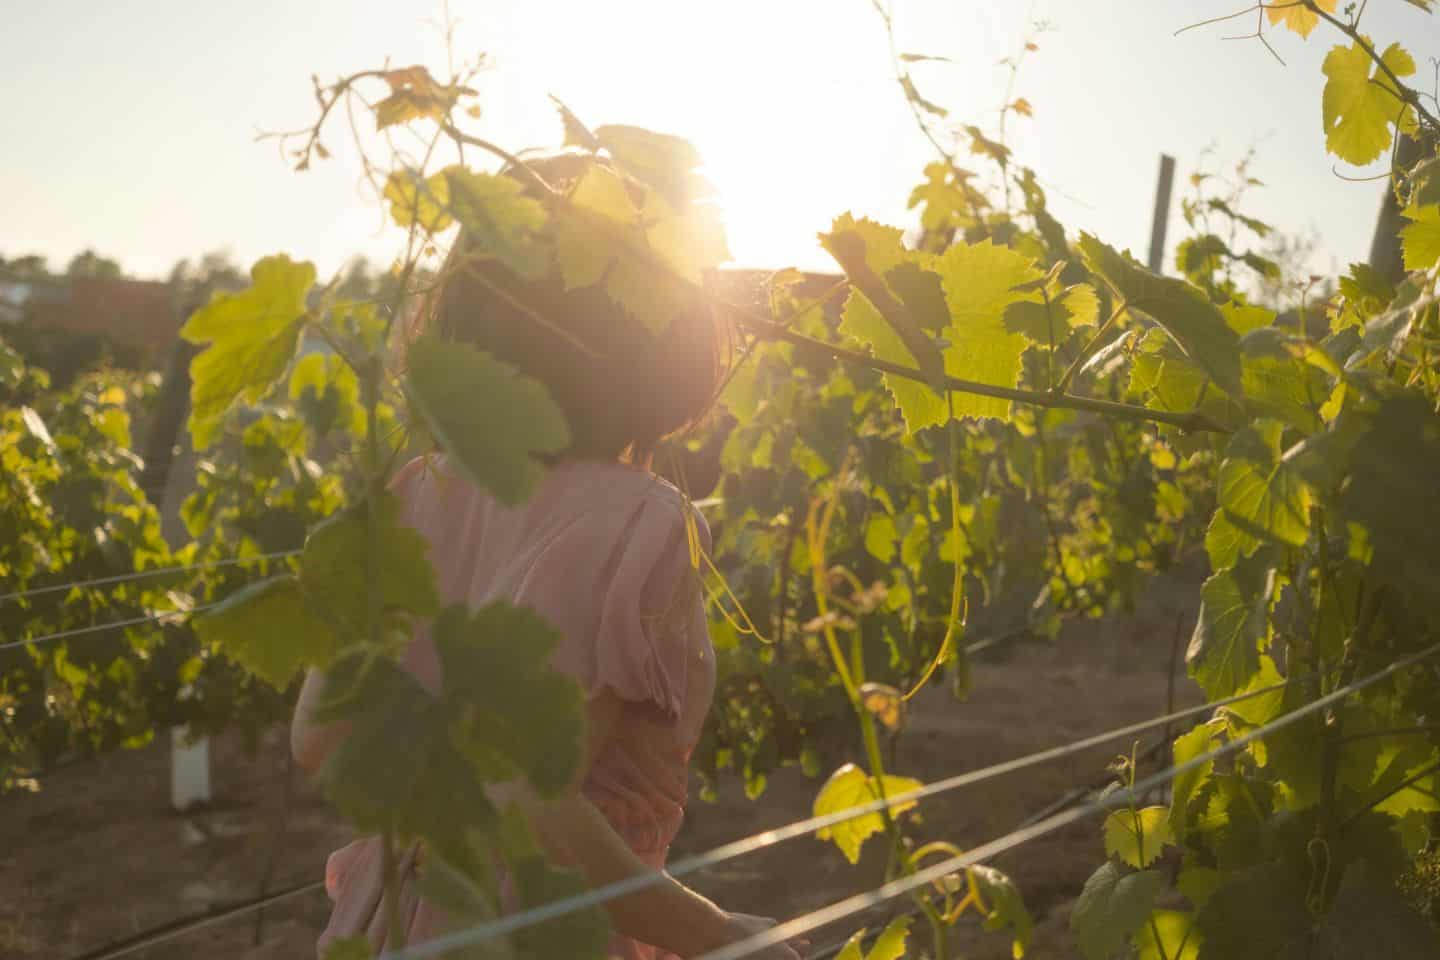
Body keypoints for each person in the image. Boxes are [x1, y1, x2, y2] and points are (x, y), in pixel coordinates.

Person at [289, 152, 806, 960]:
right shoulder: (640, 521)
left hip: (392, 922)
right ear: (668, 337)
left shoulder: (410, 495)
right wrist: (717, 937)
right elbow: (526, 800)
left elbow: (317, 737)